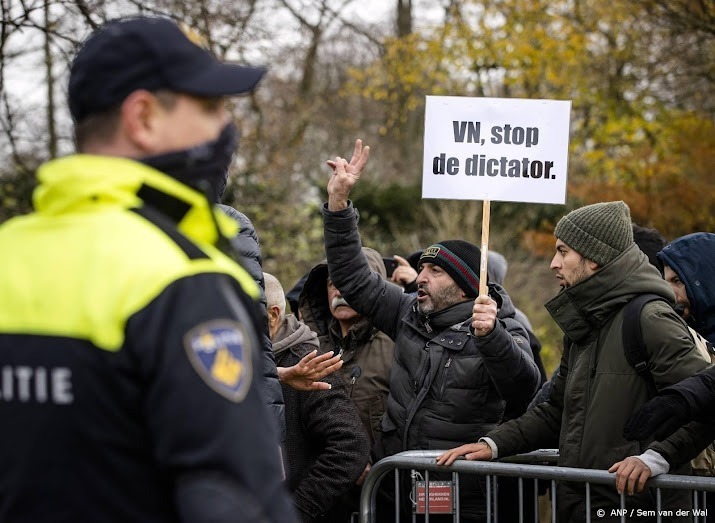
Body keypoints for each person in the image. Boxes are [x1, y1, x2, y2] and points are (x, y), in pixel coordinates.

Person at [0, 16, 296, 522]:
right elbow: (235, 497)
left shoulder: (11, 251)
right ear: (143, 118)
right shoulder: (180, 275)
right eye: (208, 106)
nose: (225, 126)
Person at [437, 201, 710, 522]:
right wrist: (493, 444)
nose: (553, 263)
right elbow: (556, 410)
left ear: (593, 258)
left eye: (563, 252)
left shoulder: (650, 317)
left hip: (638, 507)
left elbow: (704, 404)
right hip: (583, 505)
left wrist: (656, 458)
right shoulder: (586, 323)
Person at [323, 139, 540, 521]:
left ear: (466, 286)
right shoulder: (407, 312)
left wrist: (492, 339)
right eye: (422, 268)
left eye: (435, 272)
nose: (419, 278)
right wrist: (339, 206)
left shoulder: (501, 329)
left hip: (465, 499)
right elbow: (353, 279)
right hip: (395, 488)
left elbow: (524, 387)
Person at [298, 246, 395, 519]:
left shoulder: (399, 345)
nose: (339, 290)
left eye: (350, 280)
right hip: (319, 498)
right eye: (331, 283)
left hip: (379, 495)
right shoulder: (307, 347)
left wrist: (376, 467)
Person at [264, 273, 370, 522]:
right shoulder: (241, 361)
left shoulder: (308, 363)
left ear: (273, 315)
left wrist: (296, 510)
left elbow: (351, 446)